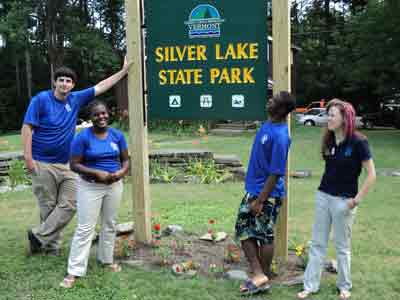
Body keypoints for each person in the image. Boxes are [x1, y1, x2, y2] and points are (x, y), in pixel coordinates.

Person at [22, 58, 131, 256]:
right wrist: (28, 158)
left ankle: (38, 236)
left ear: (73, 85)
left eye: (69, 81)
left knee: (69, 204)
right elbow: (27, 127)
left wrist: (123, 71)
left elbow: (101, 87)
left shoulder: (75, 99)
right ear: (55, 82)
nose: (65, 84)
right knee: (48, 206)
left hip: (67, 164)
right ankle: (50, 247)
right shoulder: (40, 100)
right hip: (42, 162)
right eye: (61, 80)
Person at [297, 99, 376, 300]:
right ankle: (310, 286)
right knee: (317, 244)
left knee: (342, 247)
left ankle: (344, 286)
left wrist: (356, 200)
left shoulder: (359, 142)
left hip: (344, 201)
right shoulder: (330, 140)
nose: (328, 118)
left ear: (344, 118)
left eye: (332, 115)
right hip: (323, 196)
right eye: (328, 114)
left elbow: (371, 174)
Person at [60, 100, 129, 288]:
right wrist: (96, 173)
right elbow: (74, 164)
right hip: (89, 187)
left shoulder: (117, 135)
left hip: (114, 186)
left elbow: (125, 160)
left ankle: (106, 260)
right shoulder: (82, 137)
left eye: (104, 113)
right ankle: (74, 271)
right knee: (85, 228)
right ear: (91, 118)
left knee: (109, 224)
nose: (101, 117)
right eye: (97, 114)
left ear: (108, 114)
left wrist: (121, 173)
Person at [235, 91, 296, 295]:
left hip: (265, 194)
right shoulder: (269, 125)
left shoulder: (281, 136)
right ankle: (260, 274)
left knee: (261, 234)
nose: (269, 100)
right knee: (247, 230)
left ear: (281, 110)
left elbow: (276, 172)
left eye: (274, 100)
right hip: (255, 190)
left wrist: (261, 200)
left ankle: (261, 275)